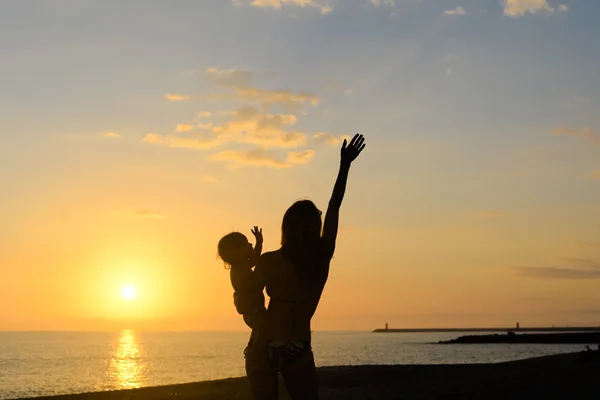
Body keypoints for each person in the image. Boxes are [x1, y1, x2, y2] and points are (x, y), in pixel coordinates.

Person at [245, 133, 366, 400]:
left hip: (263, 344)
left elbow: (245, 296)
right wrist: (344, 166)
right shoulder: (321, 258)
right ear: (316, 227)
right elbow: (335, 206)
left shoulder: (270, 260)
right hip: (297, 346)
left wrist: (254, 317)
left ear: (286, 227)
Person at [217, 227, 266, 333]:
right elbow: (247, 287)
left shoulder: (241, 265)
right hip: (252, 311)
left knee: (262, 331)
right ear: (237, 252)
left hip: (254, 309)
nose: (250, 245)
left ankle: (256, 346)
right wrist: (261, 280)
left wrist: (259, 242)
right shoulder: (238, 269)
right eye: (247, 244)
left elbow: (255, 259)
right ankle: (255, 348)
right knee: (263, 331)